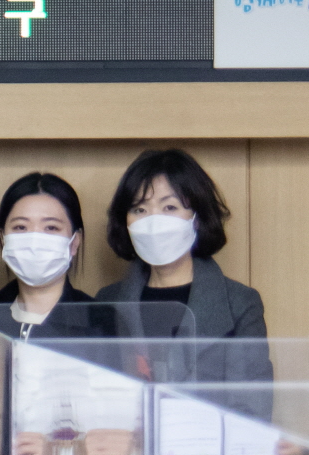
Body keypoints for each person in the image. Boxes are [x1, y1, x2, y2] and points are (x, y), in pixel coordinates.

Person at [93, 147, 270, 381]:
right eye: (139, 209)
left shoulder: (240, 303)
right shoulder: (106, 301)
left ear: (197, 217)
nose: (154, 221)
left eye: (170, 208)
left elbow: (251, 400)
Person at [0, 172, 100, 341]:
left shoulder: (101, 320)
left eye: (51, 228)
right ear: (3, 238)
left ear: (74, 242)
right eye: (20, 227)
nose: (34, 241)